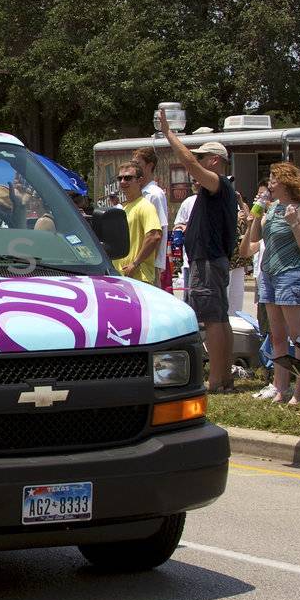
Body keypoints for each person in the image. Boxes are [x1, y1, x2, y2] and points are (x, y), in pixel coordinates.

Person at [160, 113, 236, 391]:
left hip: (208, 260)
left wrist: (170, 135)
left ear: (214, 161)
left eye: (202, 158)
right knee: (220, 318)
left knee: (212, 320)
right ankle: (223, 376)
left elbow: (190, 164)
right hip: (212, 259)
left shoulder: (217, 182)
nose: (197, 163)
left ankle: (216, 380)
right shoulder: (222, 188)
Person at [245, 163, 300, 404]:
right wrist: (256, 215)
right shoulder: (272, 208)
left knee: (297, 337)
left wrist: (294, 224)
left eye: (274, 179)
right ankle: (281, 387)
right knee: (277, 336)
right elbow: (255, 238)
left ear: (286, 183)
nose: (270, 184)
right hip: (268, 274)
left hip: (290, 274)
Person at [113, 164, 161, 285]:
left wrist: (135, 263)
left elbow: (154, 236)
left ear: (140, 180)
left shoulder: (145, 206)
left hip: (139, 277)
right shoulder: (125, 207)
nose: (123, 181)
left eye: (128, 178)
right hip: (123, 276)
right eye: (120, 178)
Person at [131, 146, 170, 285]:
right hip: (134, 262)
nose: (134, 167)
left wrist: (156, 264)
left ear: (149, 165)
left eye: (138, 164)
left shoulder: (154, 194)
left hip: (148, 266)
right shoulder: (136, 193)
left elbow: (159, 231)